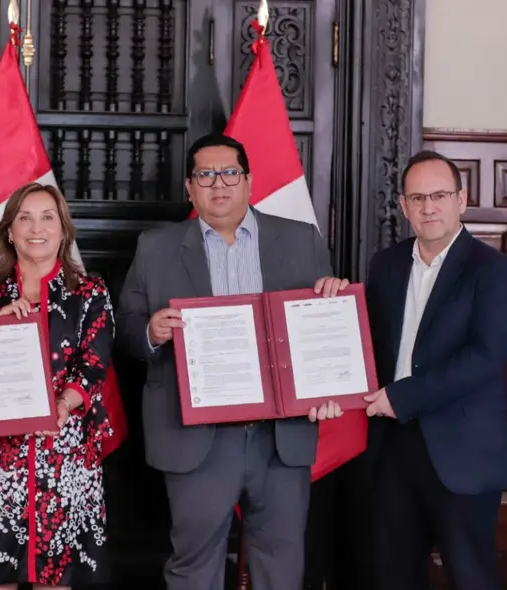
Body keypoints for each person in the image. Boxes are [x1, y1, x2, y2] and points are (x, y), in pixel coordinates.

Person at [116, 133, 348, 590]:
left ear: (248, 180)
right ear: (189, 187)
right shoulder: (155, 247)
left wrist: (334, 306)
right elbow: (124, 328)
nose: (218, 184)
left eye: (229, 173)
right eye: (205, 175)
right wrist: (150, 332)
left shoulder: (302, 240)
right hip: (196, 437)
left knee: (281, 569)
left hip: (280, 437)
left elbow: (324, 329)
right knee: (193, 568)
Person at [362, 150, 507, 590]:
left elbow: (486, 357)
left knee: (471, 576)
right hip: (392, 449)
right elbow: (369, 346)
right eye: (417, 197)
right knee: (393, 575)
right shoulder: (386, 265)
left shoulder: (492, 270)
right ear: (403, 206)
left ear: (461, 199)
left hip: (461, 451)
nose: (428, 207)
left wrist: (403, 396)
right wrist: (332, 301)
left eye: (438, 195)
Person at [0, 182, 116, 589]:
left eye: (47, 217)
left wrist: (61, 405)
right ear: (9, 230)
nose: (36, 227)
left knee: (56, 578)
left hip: (64, 451)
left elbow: (94, 365)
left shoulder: (91, 292)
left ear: (63, 229)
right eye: (25, 217)